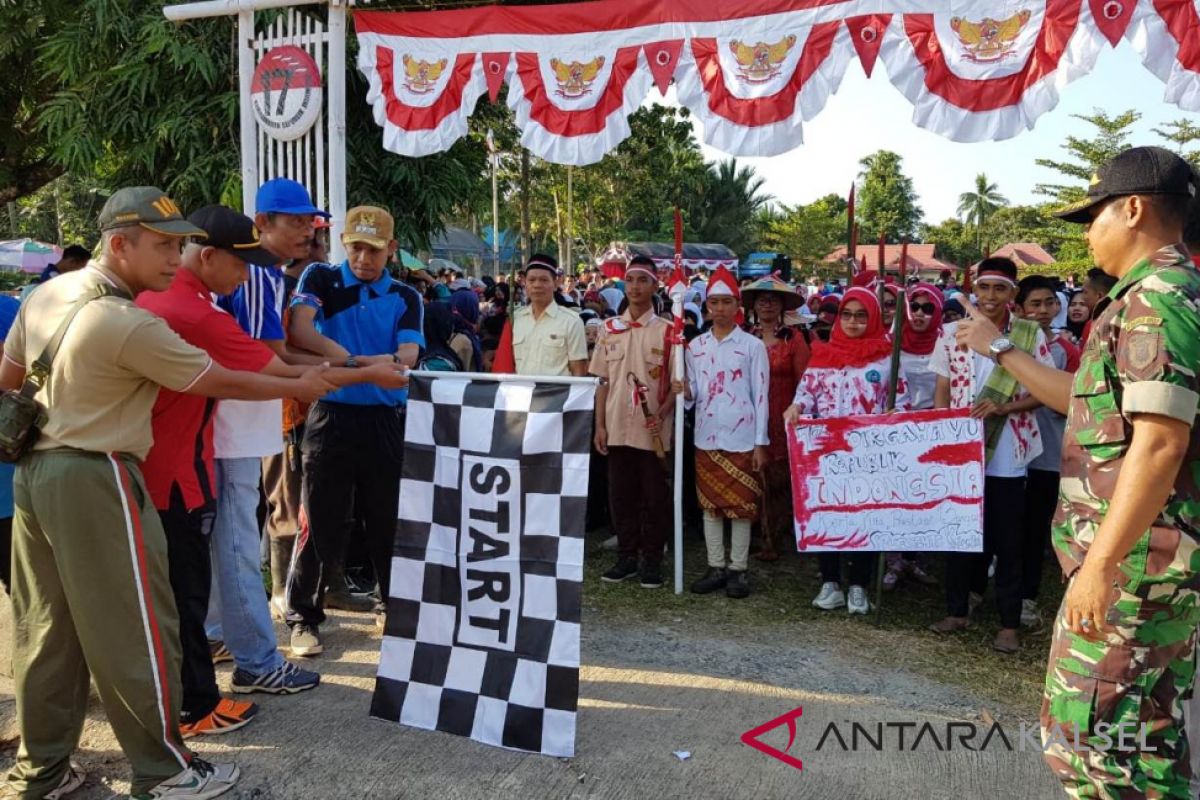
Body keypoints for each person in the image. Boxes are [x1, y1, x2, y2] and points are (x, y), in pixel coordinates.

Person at [0, 186, 340, 799]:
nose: (174, 256)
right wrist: (306, 381)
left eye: (179, 243)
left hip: (35, 474)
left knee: (45, 628)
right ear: (118, 243)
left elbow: (8, 380)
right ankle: (165, 771)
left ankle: (41, 771)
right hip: (97, 473)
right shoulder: (127, 320)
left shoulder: (45, 295)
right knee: (139, 625)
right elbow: (227, 380)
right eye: (161, 245)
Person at [955, 146, 1200, 798]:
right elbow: (1084, 398)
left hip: (1134, 571)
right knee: (1138, 746)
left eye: (1093, 216)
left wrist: (1098, 567)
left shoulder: (1158, 301)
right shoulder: (1149, 298)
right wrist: (1001, 346)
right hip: (1140, 566)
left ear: (1134, 208)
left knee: (1098, 751)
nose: (1089, 233)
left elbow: (1159, 446)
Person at [138, 206, 409, 735]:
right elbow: (274, 367)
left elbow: (270, 368)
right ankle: (202, 701)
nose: (249, 278)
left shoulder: (187, 302)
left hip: (182, 459)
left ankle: (193, 690)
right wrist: (349, 374)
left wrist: (337, 373)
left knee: (192, 579)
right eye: (165, 249)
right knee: (205, 571)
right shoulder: (195, 310)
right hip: (174, 466)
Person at [205, 178, 334, 691]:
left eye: (310, 221)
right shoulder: (257, 273)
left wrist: (338, 363)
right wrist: (349, 370)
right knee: (237, 543)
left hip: (235, 418)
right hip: (234, 420)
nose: (308, 230)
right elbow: (270, 357)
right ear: (262, 224)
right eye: (296, 221)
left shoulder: (269, 274)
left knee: (228, 540)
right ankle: (257, 661)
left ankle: (217, 632)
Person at [286, 205, 425, 656]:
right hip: (331, 413)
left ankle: (391, 606)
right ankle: (303, 617)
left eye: (375, 249)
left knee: (387, 520)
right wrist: (362, 364)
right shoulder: (320, 279)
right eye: (357, 247)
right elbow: (300, 331)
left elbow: (407, 359)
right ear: (345, 243)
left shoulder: (407, 295)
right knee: (317, 519)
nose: (364, 258)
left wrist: (348, 364)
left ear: (392, 249)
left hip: (386, 420)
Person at [928, 257, 1055, 654]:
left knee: (1008, 540)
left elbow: (1044, 391)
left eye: (1000, 289)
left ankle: (1008, 623)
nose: (990, 296)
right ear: (974, 290)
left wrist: (1004, 409)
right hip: (963, 450)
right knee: (960, 532)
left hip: (1009, 454)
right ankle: (957, 610)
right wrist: (945, 432)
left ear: (1012, 294)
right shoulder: (950, 333)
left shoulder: (1030, 336)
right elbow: (942, 391)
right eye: (984, 288)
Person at [785, 288, 909, 614]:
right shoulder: (823, 357)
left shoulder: (886, 359)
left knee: (864, 518)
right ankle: (830, 582)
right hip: (827, 453)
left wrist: (894, 415)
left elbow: (902, 403)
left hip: (869, 456)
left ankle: (858, 585)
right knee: (829, 514)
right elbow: (805, 395)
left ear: (873, 318)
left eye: (862, 315)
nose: (854, 322)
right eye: (847, 315)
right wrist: (796, 408)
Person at [674, 266, 769, 600]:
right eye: (714, 302)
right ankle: (716, 565)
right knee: (710, 506)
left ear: (737, 306)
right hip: (706, 435)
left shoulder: (753, 346)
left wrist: (761, 442)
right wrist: (682, 389)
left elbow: (761, 395)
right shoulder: (694, 347)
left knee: (742, 507)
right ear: (707, 307)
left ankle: (738, 569)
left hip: (743, 437)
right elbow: (694, 393)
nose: (720, 309)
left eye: (727, 302)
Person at [591, 256, 676, 589]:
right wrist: (599, 425)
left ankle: (652, 560)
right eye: (631, 281)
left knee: (653, 497)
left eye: (643, 280)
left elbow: (678, 385)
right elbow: (601, 381)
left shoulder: (669, 332)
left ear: (655, 286)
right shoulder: (609, 329)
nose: (636, 287)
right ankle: (626, 556)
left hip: (653, 431)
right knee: (621, 495)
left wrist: (662, 413)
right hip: (615, 426)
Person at [1014, 275, 1080, 631]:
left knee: (1036, 529)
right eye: (1034, 304)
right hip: (1010, 455)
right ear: (1020, 308)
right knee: (1010, 526)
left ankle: (1027, 596)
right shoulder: (1003, 346)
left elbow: (1070, 402)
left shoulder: (1066, 351)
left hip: (1047, 455)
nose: (1042, 311)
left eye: (1049, 303)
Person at [741, 275, 809, 561]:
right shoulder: (742, 336)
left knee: (779, 480)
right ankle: (752, 533)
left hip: (782, 415)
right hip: (747, 415)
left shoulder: (793, 338)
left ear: (782, 305)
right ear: (754, 305)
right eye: (762, 299)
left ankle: (775, 537)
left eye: (773, 300)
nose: (767, 304)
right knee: (750, 475)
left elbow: (805, 381)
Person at [885, 282, 945, 590]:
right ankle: (893, 558)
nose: (920, 314)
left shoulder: (946, 344)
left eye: (928, 308)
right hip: (897, 430)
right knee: (896, 495)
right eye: (914, 307)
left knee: (922, 495)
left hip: (929, 429)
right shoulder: (892, 342)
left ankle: (914, 558)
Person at [505, 255, 587, 377]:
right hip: (522, 394)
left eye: (544, 280)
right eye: (531, 280)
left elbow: (578, 371)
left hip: (557, 395)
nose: (537, 285)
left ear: (555, 284)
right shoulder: (516, 319)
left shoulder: (572, 322)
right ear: (525, 284)